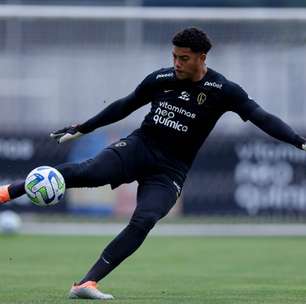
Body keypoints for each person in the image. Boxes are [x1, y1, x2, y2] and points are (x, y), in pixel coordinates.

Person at [0, 27, 305, 300]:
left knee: (144, 220)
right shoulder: (161, 79)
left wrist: (298, 141)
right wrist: (82, 127)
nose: (177, 63)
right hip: (138, 147)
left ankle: (86, 283)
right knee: (87, 173)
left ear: (202, 57)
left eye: (184, 58)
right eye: (174, 56)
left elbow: (262, 117)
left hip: (171, 170)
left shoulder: (224, 91)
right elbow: (124, 105)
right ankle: (7, 192)